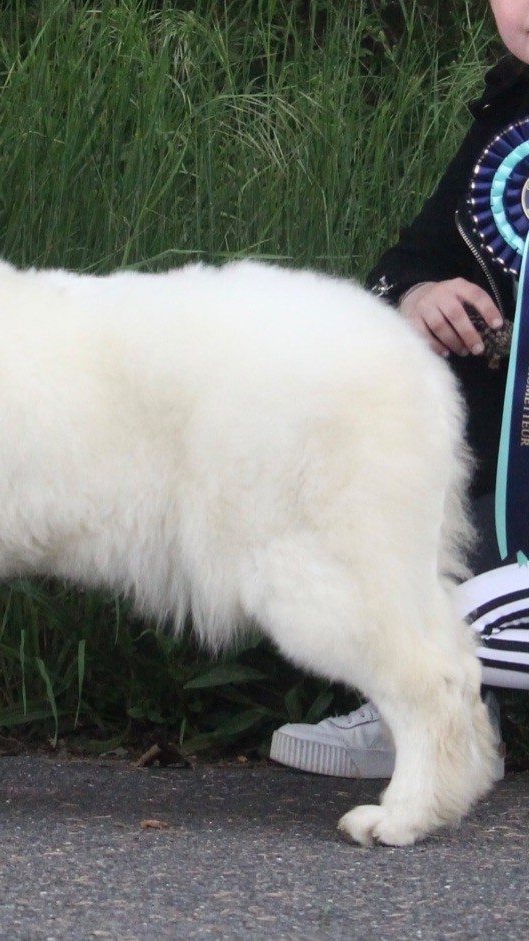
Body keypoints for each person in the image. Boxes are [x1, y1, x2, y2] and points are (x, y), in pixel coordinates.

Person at [269, 0, 529, 779]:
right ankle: (429, 708)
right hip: (493, 461)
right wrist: (420, 297)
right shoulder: (508, 115)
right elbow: (402, 262)